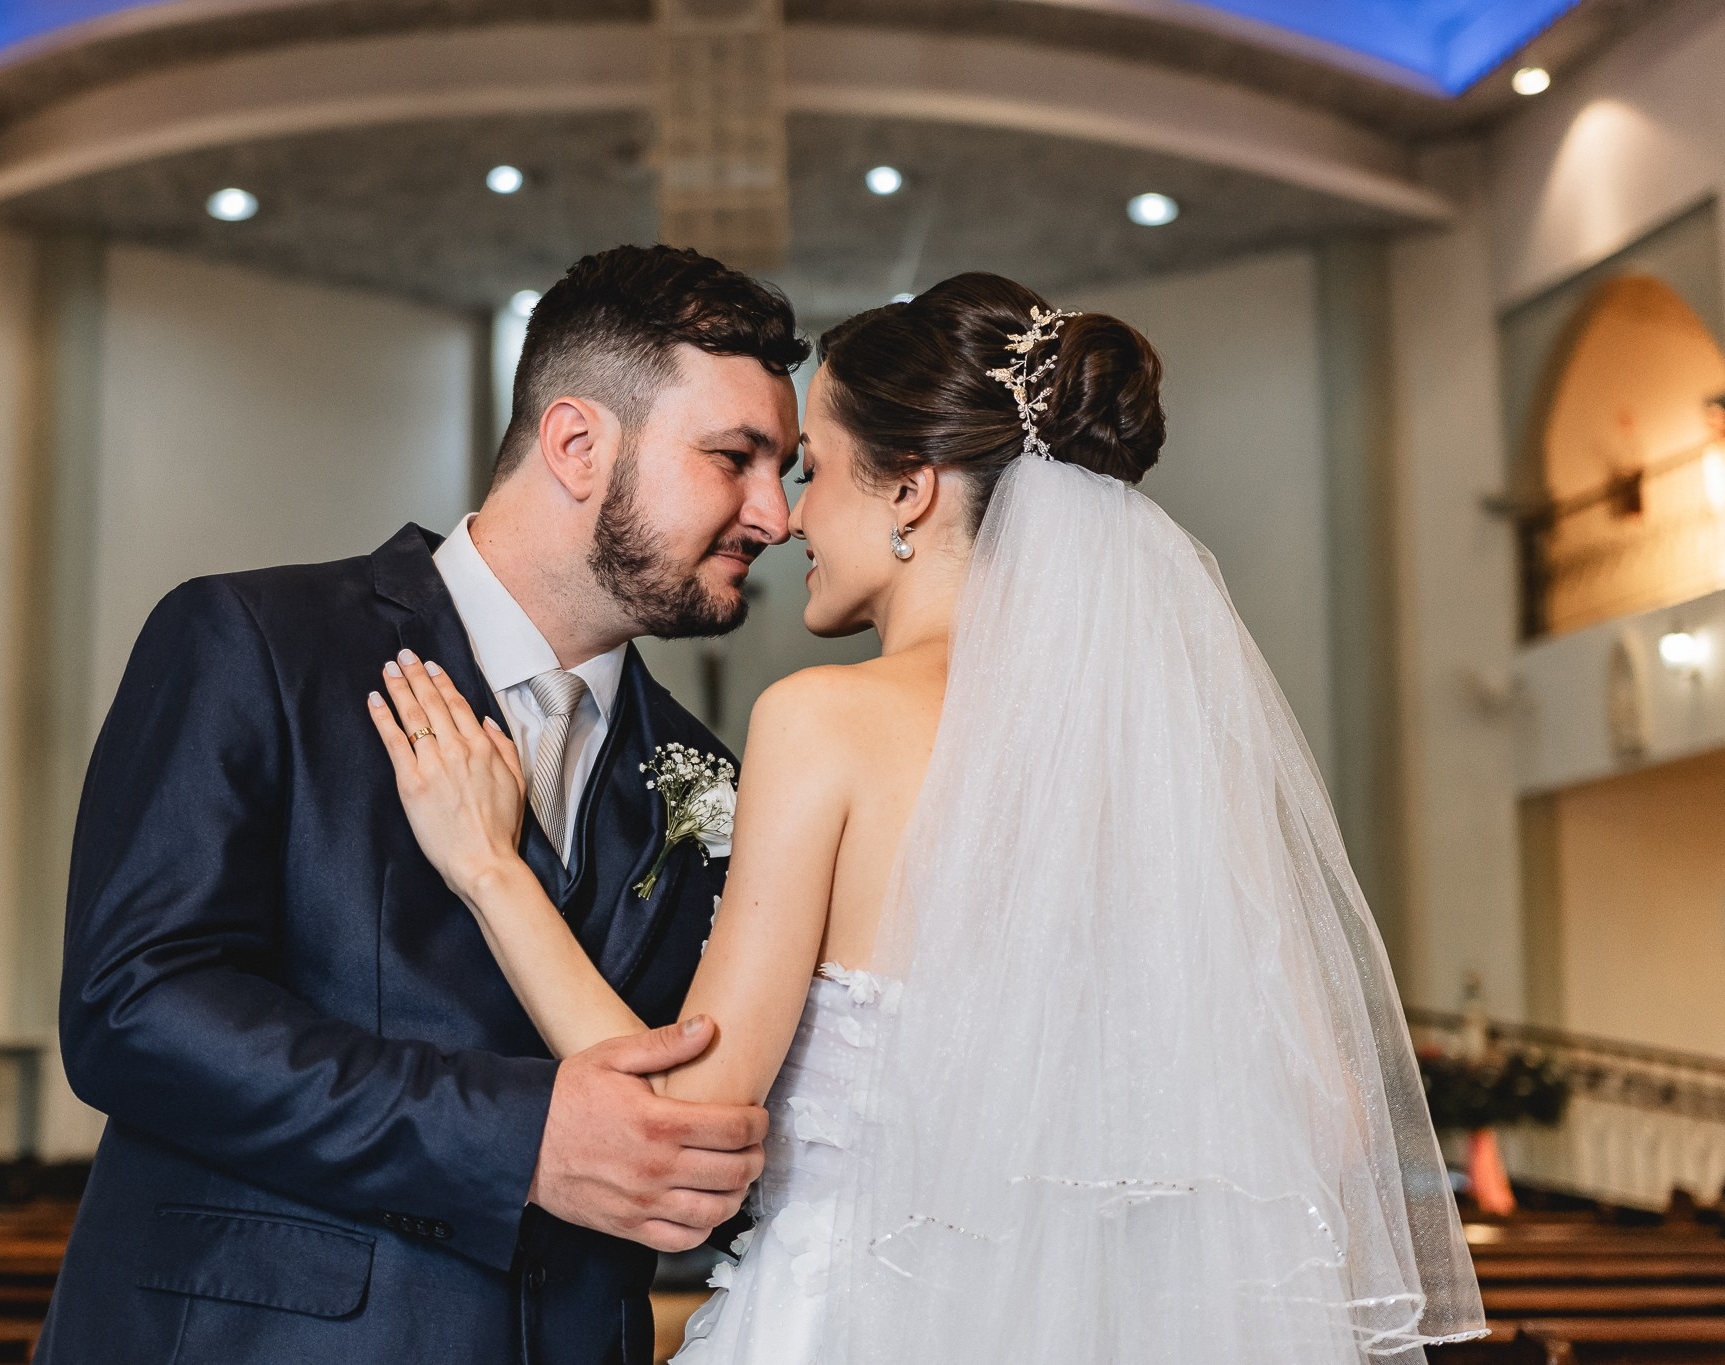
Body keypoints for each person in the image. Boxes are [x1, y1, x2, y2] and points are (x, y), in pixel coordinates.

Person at [371, 272, 1488, 1363]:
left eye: (813, 470)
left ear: (909, 490)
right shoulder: (1168, 748)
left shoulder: (825, 722)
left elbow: (686, 1115)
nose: (786, 518)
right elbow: (1333, 1122)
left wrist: (490, 871)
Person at [34, 245, 807, 1364]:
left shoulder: (709, 775)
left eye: (784, 471)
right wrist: (519, 1140)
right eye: (735, 458)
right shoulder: (258, 644)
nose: (774, 515)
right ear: (577, 445)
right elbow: (131, 1009)